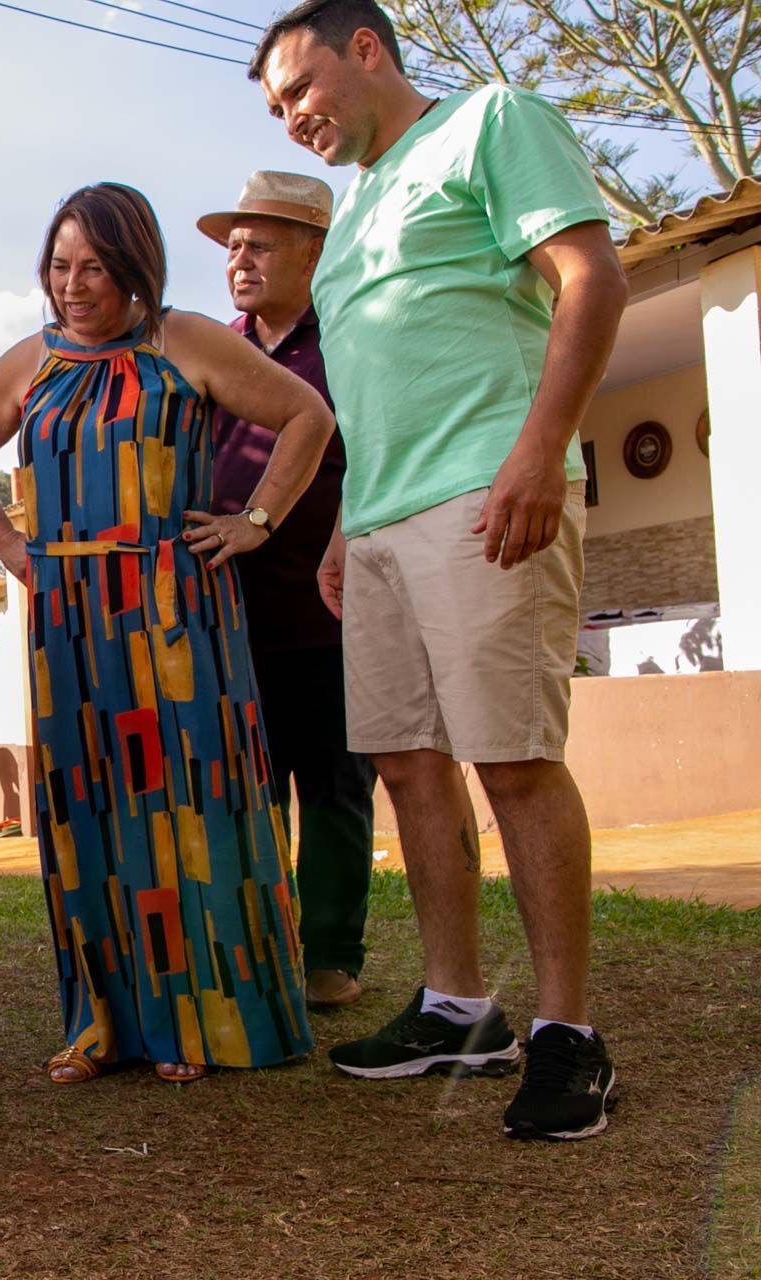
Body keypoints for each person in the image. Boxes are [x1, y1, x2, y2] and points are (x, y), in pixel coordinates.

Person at [251, 0, 628, 1139]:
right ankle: (460, 1004)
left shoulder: (489, 125)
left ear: (366, 48)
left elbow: (591, 280)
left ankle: (570, 1034)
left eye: (301, 88)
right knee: (408, 764)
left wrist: (536, 454)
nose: (294, 117)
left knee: (512, 758)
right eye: (276, 109)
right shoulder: (357, 208)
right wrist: (342, 526)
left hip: (485, 491)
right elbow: (373, 384)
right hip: (379, 520)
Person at [0, 183, 336, 1085]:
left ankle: (197, 1021)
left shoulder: (183, 341)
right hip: (69, 622)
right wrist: (12, 549)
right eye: (60, 265)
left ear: (136, 270)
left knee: (186, 806)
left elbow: (309, 417)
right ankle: (103, 1023)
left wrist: (257, 521)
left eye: (96, 268)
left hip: (173, 612)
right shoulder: (27, 363)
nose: (73, 286)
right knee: (90, 813)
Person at [197, 170, 376, 1010]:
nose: (239, 258)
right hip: (228, 619)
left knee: (335, 786)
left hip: (332, 608)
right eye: (233, 245)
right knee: (247, 791)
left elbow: (373, 454)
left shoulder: (350, 338)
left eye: (259, 242)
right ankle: (261, 945)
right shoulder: (217, 350)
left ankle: (332, 955)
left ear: (315, 248)